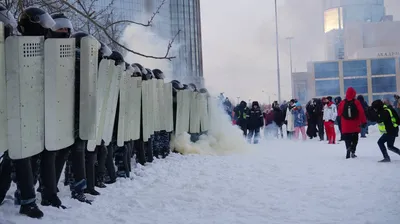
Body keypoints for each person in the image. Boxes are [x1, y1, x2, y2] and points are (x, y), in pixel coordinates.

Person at [337, 87, 367, 159]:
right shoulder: (356, 102)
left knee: (347, 139)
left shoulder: (342, 102)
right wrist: (363, 121)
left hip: (345, 125)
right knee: (355, 139)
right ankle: (353, 151)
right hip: (355, 125)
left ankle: (348, 148)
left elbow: (339, 113)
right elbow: (361, 112)